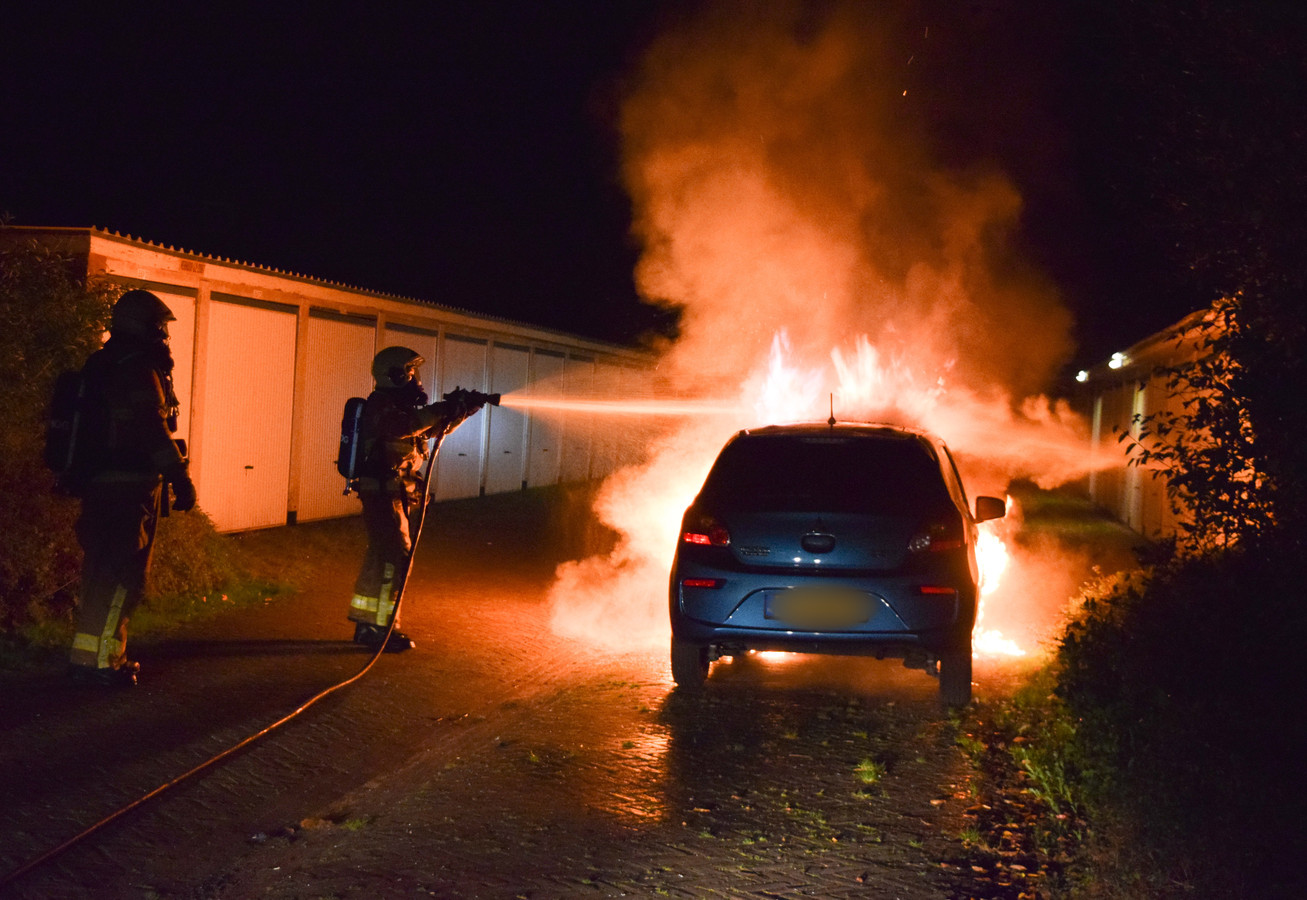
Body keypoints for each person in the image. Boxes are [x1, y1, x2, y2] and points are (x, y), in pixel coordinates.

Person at [67, 289, 197, 687]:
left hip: (99, 485)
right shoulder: (138, 369)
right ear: (143, 327)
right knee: (125, 575)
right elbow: (152, 431)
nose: (163, 336)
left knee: (100, 573)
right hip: (130, 490)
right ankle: (105, 663)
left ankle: (88, 657)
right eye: (159, 327)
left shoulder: (102, 363)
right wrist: (180, 478)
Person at [348, 346, 486, 652]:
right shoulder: (381, 406)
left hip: (395, 495)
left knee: (383, 557)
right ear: (395, 375)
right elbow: (406, 427)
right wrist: (445, 407)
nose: (415, 378)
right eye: (410, 372)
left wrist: (463, 411)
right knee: (395, 559)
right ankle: (382, 630)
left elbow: (434, 429)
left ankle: (367, 625)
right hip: (383, 494)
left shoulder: (401, 408)